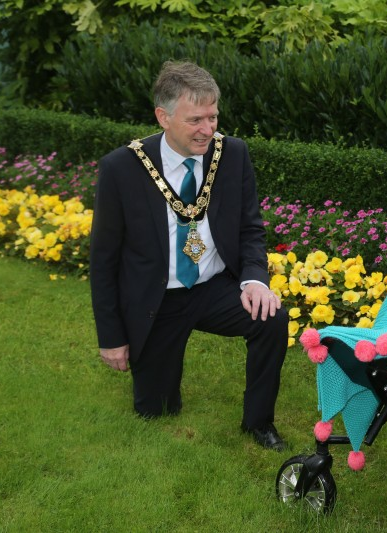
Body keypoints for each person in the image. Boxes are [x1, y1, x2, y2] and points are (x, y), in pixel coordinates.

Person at [90, 60, 289, 451]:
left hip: (214, 287)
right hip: (157, 299)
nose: (208, 130)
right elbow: (103, 261)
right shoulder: (121, 168)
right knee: (157, 410)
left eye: (213, 117)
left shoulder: (231, 154)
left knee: (272, 317)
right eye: (195, 120)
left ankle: (259, 422)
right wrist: (111, 337)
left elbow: (250, 228)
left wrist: (254, 281)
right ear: (163, 117)